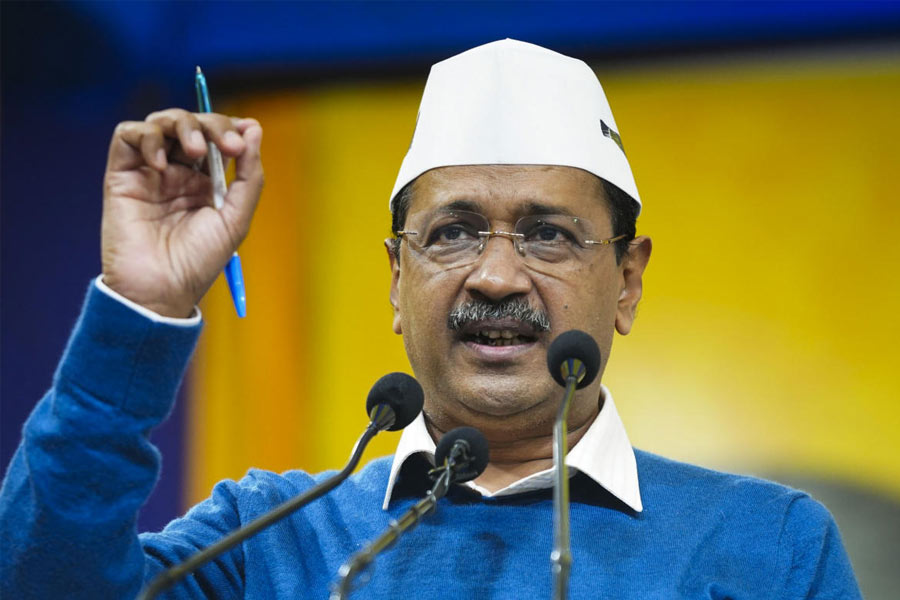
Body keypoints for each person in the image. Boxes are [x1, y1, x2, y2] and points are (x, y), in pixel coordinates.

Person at [0, 39, 860, 599]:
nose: (493, 275)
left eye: (548, 234)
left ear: (626, 281)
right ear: (397, 277)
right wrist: (143, 308)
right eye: (452, 233)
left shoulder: (768, 547)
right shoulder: (269, 540)